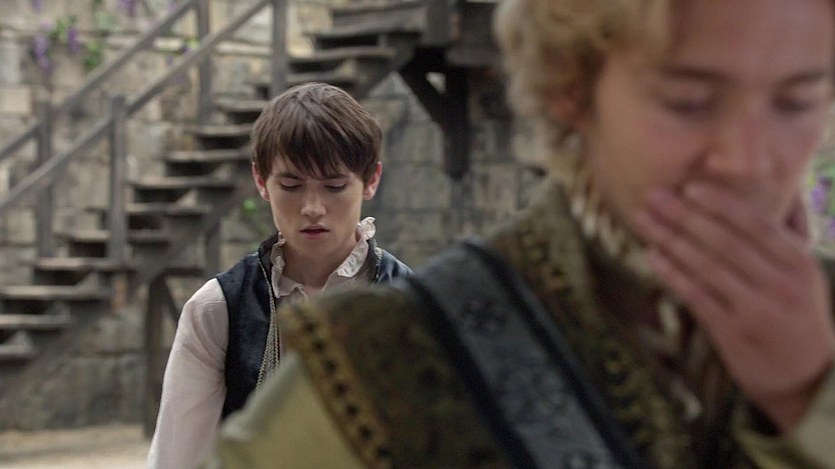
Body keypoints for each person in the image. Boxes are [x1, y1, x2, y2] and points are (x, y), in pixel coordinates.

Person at [202, 0, 835, 467]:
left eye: (797, 102)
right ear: (570, 87)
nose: (749, 160)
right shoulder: (384, 365)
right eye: (689, 101)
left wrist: (810, 400)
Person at [146, 82, 412, 469]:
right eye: (291, 185)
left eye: (334, 186)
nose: (313, 207)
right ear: (261, 181)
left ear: (371, 180)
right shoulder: (218, 309)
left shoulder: (410, 306)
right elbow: (178, 458)